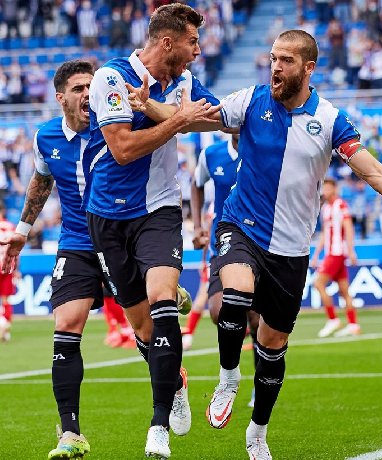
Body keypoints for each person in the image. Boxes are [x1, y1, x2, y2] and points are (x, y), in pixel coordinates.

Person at [126, 29, 382, 459]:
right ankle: (229, 376)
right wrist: (150, 107)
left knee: (272, 347)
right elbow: (195, 119)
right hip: (241, 226)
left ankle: (257, 433)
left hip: (290, 249)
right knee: (233, 294)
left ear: (308, 68)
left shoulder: (329, 120)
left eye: (286, 60)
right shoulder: (250, 101)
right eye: (273, 58)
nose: (276, 66)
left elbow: (375, 172)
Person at [81, 4, 223, 457]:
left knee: (165, 301)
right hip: (107, 215)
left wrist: (163, 110)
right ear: (167, 42)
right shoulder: (111, 78)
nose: (197, 52)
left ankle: (158, 423)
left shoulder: (184, 83)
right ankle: (175, 380)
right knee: (143, 329)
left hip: (159, 210)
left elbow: (215, 118)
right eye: (192, 42)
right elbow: (122, 149)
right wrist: (177, 119)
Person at [0, 60, 103, 458]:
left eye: (90, 87)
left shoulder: (114, 126)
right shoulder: (45, 137)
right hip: (76, 241)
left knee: (147, 332)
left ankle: (169, 373)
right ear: (61, 97)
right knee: (66, 324)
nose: (86, 95)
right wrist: (21, 234)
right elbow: (41, 182)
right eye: (78, 88)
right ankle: (71, 432)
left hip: (120, 240)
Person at [189, 133, 260, 408]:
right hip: (223, 243)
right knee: (219, 312)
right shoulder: (211, 155)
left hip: (259, 244)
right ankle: (231, 372)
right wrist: (197, 225)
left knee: (256, 320)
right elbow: (196, 184)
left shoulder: (263, 149)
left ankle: (257, 383)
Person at [311, 178, 360, 338]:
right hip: (330, 252)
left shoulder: (341, 205)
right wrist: (317, 255)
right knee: (344, 290)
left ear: (334, 189)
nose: (325, 191)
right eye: (323, 188)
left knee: (318, 284)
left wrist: (351, 251)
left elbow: (348, 228)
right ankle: (353, 324)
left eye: (328, 188)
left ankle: (333, 319)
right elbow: (325, 233)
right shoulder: (325, 208)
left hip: (337, 253)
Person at [0, 203, 15, 342]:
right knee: (6, 299)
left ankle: (2, 325)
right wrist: (18, 270)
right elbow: (16, 250)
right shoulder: (10, 226)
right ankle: (6, 327)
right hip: (7, 267)